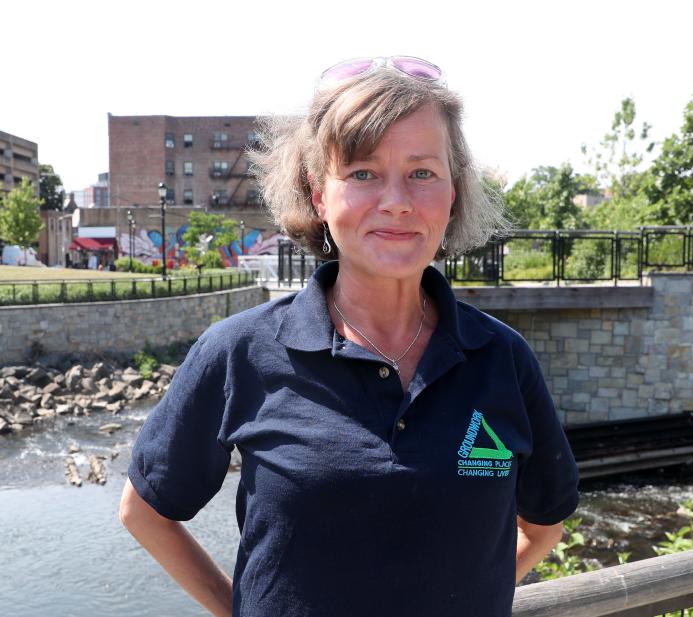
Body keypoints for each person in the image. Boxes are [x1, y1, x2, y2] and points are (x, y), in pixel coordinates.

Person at [118, 55, 579, 617]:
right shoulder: (239, 352)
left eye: (422, 172)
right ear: (317, 193)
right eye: (362, 173)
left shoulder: (503, 358)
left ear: (453, 191)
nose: (396, 200)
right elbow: (146, 510)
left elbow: (545, 522)